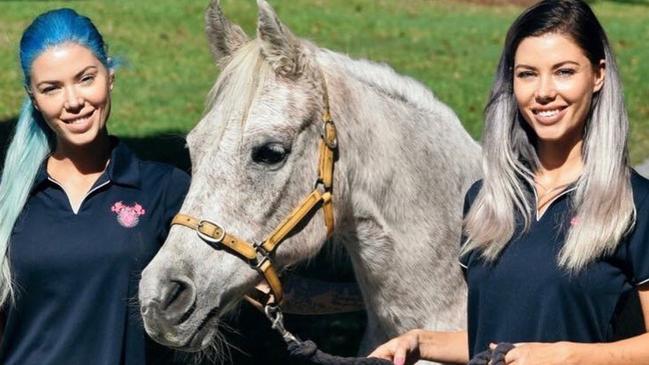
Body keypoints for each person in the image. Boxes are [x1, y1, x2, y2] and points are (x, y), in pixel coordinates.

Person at [369, 0, 649, 364]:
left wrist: (569, 357)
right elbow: (496, 339)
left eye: (563, 71)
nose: (543, 91)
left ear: (598, 75)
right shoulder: (486, 202)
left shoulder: (636, 205)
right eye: (527, 74)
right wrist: (421, 342)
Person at [0, 8, 190, 365]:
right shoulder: (8, 200)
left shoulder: (166, 189)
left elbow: (236, 280)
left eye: (85, 78)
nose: (73, 102)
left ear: (110, 76)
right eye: (51, 88)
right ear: (34, 98)